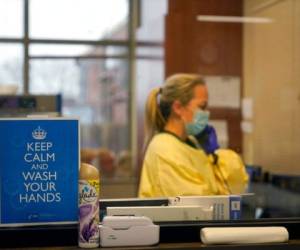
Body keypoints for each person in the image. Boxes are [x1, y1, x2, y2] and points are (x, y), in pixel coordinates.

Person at [138, 73, 248, 197]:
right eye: (202, 107)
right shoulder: (165, 149)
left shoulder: (191, 142)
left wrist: (215, 156)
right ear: (178, 107)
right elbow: (197, 202)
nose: (206, 113)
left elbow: (230, 187)